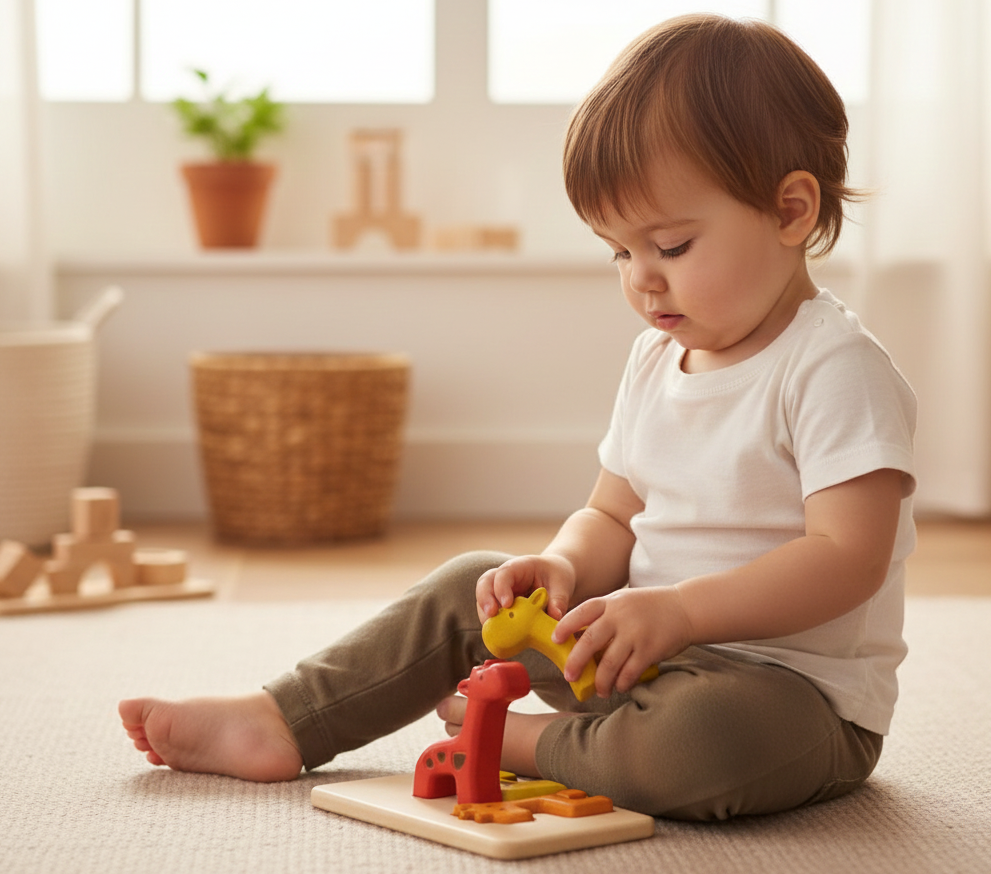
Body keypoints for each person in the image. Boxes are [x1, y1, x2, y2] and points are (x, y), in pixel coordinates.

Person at [120, 14, 916, 821]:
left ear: (789, 211)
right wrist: (564, 567)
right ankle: (284, 718)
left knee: (702, 742)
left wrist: (681, 612)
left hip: (785, 697)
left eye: (670, 246)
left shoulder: (833, 368)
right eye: (617, 251)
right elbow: (614, 510)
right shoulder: (654, 360)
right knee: (471, 582)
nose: (641, 280)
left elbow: (846, 556)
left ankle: (519, 742)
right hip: (629, 656)